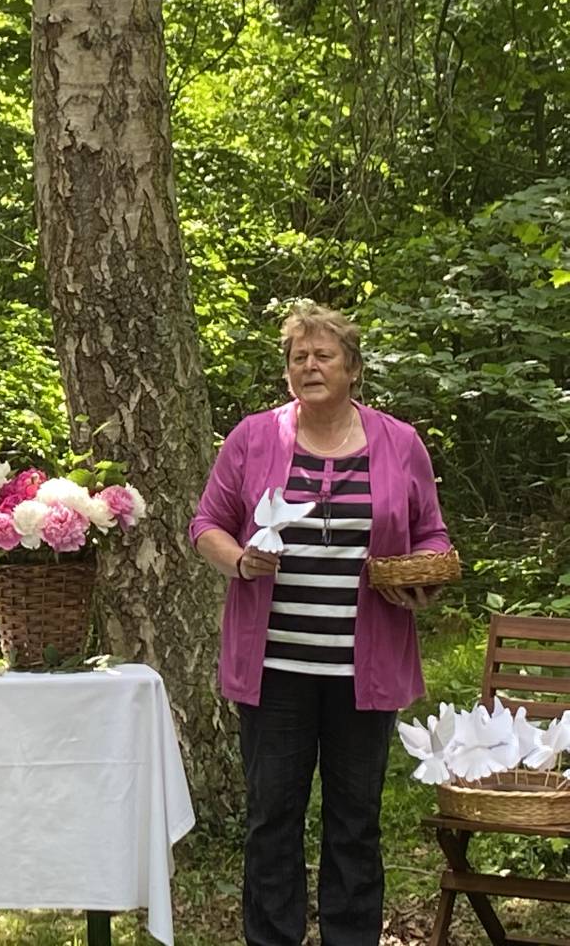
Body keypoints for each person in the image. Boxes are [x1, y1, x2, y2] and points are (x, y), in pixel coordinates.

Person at [189, 302, 452, 946]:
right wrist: (243, 562)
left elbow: (433, 535)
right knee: (272, 818)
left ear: (353, 369)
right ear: (287, 375)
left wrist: (421, 582)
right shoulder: (254, 438)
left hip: (363, 671)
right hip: (275, 669)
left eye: (323, 355)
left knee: (355, 821)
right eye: (298, 357)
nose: (309, 365)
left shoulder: (400, 442)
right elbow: (206, 526)